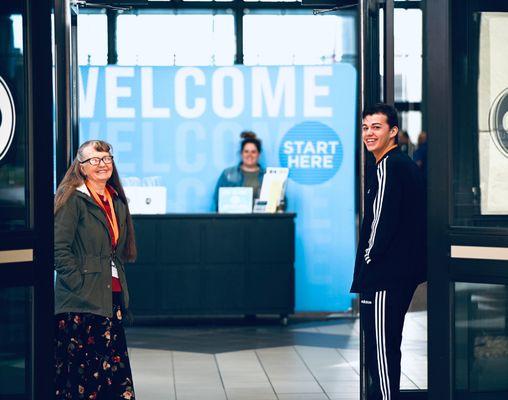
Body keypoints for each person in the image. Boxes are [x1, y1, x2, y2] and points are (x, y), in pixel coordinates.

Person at [351, 104, 426, 400]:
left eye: (377, 127)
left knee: (380, 349)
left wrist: (369, 257)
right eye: (366, 127)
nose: (369, 133)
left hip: (385, 276)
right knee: (385, 345)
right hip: (395, 274)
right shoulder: (399, 164)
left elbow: (381, 221)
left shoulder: (388, 166)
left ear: (393, 132)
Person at [54, 140, 137, 400]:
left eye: (106, 159)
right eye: (94, 160)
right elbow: (57, 248)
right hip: (80, 304)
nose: (102, 165)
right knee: (84, 380)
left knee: (112, 376)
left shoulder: (116, 200)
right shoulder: (73, 199)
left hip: (110, 298)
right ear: (81, 167)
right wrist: (77, 283)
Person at [214, 131, 265, 210]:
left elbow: (281, 202)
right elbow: (218, 200)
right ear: (241, 153)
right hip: (233, 220)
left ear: (259, 154)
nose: (249, 155)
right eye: (246, 151)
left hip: (262, 220)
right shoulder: (228, 174)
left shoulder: (268, 176)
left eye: (253, 152)